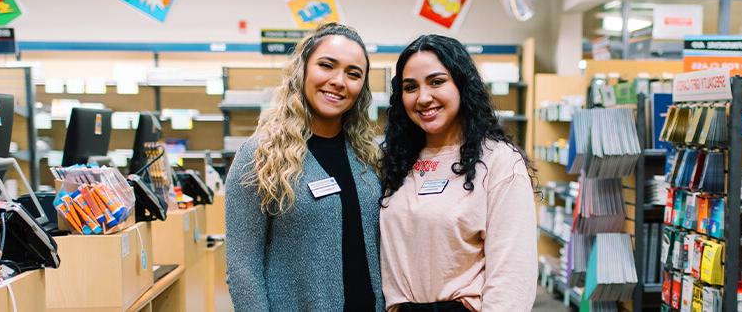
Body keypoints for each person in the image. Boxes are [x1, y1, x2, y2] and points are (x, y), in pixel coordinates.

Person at [225, 23, 384, 311]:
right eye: (327, 65)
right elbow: (242, 268)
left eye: (353, 74)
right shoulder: (260, 155)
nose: (339, 81)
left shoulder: (367, 157)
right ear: (303, 70)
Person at [379, 34, 537, 312]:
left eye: (437, 82)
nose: (423, 97)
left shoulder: (498, 161)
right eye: (410, 87)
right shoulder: (397, 160)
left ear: (462, 85)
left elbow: (513, 276)